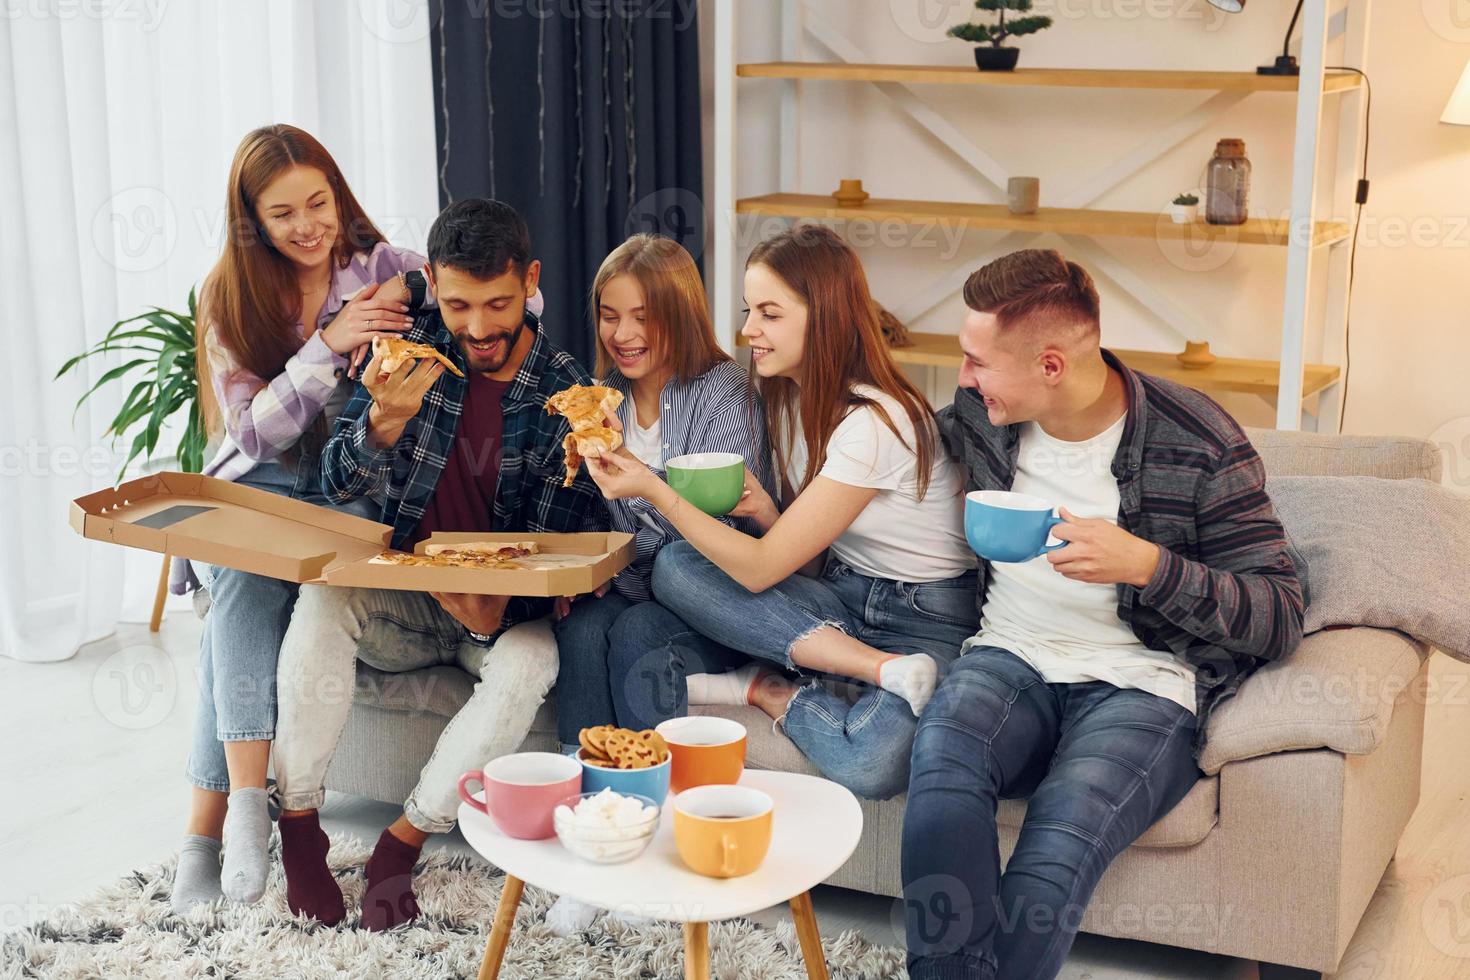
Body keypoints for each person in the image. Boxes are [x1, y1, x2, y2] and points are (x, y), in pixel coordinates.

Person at [901, 249, 1305, 979]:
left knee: (1060, 838)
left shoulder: (1201, 439)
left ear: (1050, 366)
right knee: (941, 772)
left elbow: (1278, 614)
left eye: (976, 361)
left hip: (1145, 683)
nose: (962, 377)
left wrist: (1148, 566)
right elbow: (879, 452)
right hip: (1009, 655)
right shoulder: (981, 416)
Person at [270, 199, 599, 930]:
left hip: (497, 615)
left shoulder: (563, 389)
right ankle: (298, 826)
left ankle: (404, 840)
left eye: (498, 305)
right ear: (433, 287)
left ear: (531, 282)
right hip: (412, 597)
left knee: (530, 661)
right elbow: (334, 484)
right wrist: (380, 423)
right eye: (458, 305)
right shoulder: (410, 346)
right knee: (322, 600)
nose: (478, 328)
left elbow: (558, 541)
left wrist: (502, 610)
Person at [586, 224, 978, 801]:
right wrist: (772, 513)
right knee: (676, 568)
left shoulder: (876, 423)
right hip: (842, 599)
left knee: (873, 763)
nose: (748, 331)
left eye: (769, 314)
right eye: (750, 311)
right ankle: (859, 670)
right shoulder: (789, 400)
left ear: (824, 317)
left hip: (925, 619)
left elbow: (762, 569)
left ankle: (786, 686)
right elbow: (811, 565)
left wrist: (652, 487)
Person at [171, 123, 442, 912]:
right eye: (284, 213)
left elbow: (513, 296)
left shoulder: (382, 265)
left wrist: (408, 294)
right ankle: (248, 820)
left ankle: (205, 836)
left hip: (343, 490)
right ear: (252, 218)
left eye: (318, 202)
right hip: (260, 481)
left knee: (232, 605)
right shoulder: (229, 294)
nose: (309, 226)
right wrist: (328, 344)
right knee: (243, 582)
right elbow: (250, 430)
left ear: (338, 192)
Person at [544, 233, 773, 935]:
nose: (624, 334)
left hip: (712, 594)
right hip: (639, 585)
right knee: (582, 626)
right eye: (610, 315)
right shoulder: (598, 398)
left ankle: (646, 848)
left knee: (637, 628)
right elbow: (593, 515)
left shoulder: (721, 389)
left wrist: (630, 525)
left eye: (643, 315)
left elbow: (703, 527)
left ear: (679, 314)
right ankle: (593, 842)